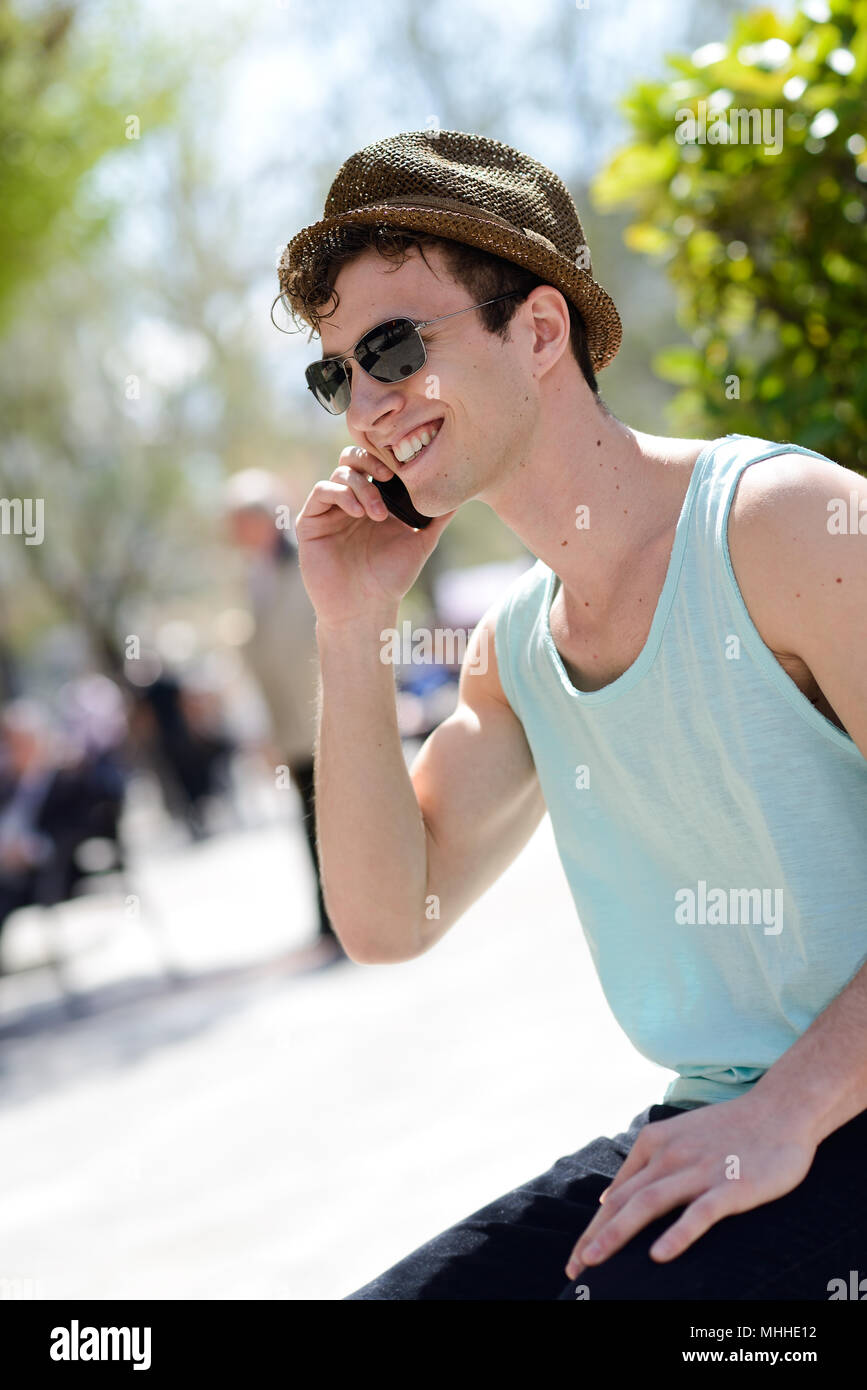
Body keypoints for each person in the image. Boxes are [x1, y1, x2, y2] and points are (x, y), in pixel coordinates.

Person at [275, 130, 867, 1299]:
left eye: (393, 347)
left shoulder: (785, 526)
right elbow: (391, 918)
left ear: (540, 331)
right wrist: (352, 629)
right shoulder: (519, 652)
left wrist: (789, 1112)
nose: (367, 408)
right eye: (338, 373)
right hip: (715, 1130)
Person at [224, 469, 343, 959]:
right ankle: (331, 922)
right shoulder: (254, 577)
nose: (235, 533)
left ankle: (360, 914)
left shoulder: (309, 556)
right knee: (312, 824)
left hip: (331, 717)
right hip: (292, 730)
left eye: (242, 521)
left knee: (346, 817)